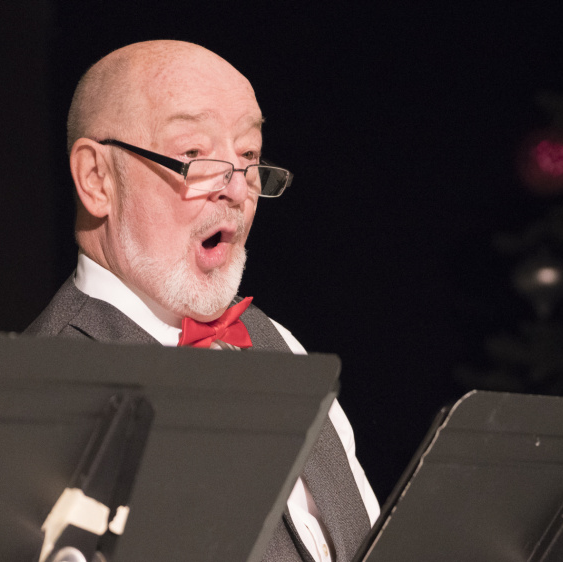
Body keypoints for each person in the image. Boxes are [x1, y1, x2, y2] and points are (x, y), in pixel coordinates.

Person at [25, 40, 379, 562]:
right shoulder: (39, 395)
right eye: (193, 154)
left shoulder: (280, 345)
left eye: (249, 156)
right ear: (97, 179)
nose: (236, 190)